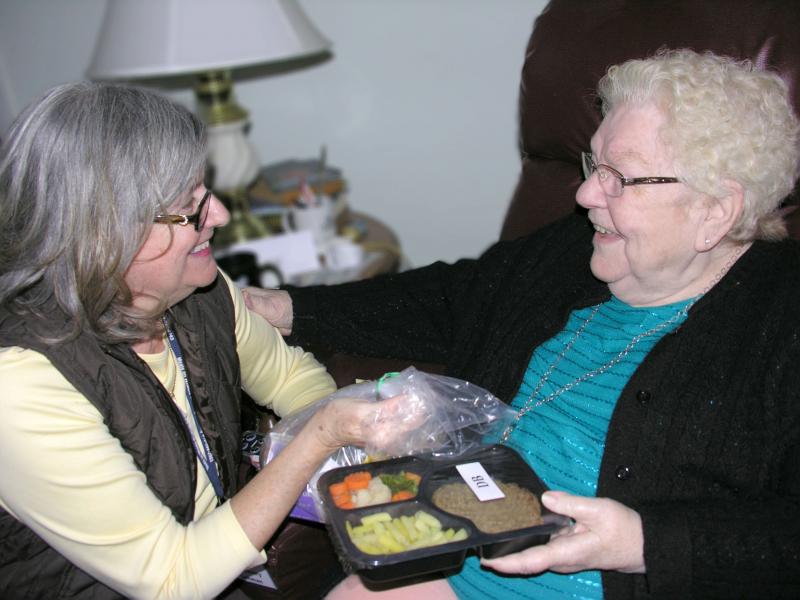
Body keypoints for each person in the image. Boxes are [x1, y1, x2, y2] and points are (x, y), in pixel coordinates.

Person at [243, 49, 800, 599]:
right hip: (445, 553)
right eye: (593, 165)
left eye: (620, 177)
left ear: (715, 210)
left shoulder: (782, 324)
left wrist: (645, 543)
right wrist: (289, 308)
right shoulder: (572, 251)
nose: (585, 194)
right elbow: (449, 298)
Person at [0, 82, 407, 599]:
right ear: (103, 232)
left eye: (205, 193)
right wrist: (318, 438)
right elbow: (171, 580)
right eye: (188, 207)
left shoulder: (199, 293)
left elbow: (289, 377)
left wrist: (343, 455)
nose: (220, 216)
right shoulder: (20, 383)